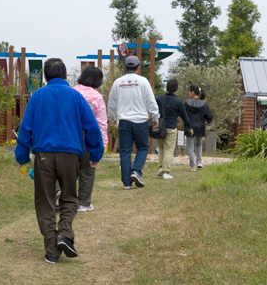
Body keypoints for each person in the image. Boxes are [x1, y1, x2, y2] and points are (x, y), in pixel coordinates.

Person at [15, 58, 104, 265]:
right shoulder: (76, 96)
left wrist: (22, 156)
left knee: (45, 201)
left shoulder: (37, 96)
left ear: (45, 76)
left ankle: (51, 250)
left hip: (43, 155)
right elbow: (92, 127)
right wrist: (95, 154)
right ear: (66, 76)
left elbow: (26, 127)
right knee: (70, 197)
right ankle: (64, 233)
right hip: (70, 155)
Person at [107, 56, 159, 189]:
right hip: (140, 121)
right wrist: (155, 117)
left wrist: (112, 118)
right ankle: (136, 171)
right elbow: (151, 101)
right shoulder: (143, 81)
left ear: (125, 67)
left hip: (123, 122)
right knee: (142, 148)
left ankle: (126, 183)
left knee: (125, 151)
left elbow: (112, 103)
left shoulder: (118, 82)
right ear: (138, 67)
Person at [73, 66, 108, 212]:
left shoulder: (72, 92)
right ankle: (84, 203)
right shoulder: (97, 97)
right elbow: (101, 122)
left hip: (70, 134)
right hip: (89, 135)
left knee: (68, 168)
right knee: (87, 169)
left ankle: (61, 195)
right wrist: (103, 144)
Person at [155, 79, 192, 179]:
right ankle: (166, 172)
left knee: (161, 148)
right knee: (168, 149)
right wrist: (189, 127)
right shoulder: (177, 101)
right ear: (176, 89)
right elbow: (184, 116)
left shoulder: (159, 98)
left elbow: (152, 110)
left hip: (159, 127)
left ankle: (161, 167)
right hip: (171, 128)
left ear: (166, 87)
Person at [184, 85, 214, 171]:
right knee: (199, 144)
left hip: (190, 127)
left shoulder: (186, 103)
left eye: (189, 91)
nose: (189, 93)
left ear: (192, 92)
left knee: (190, 147)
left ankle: (193, 166)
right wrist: (206, 122)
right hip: (200, 127)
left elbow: (182, 114)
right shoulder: (204, 104)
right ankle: (199, 162)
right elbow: (210, 116)